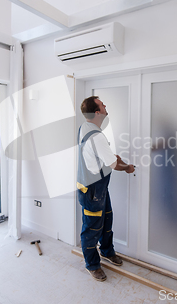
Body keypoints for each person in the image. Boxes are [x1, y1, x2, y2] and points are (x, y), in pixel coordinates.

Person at [77, 96, 135, 282]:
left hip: (98, 187)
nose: (105, 106)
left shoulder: (85, 127)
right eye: (102, 105)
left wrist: (108, 157)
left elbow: (96, 155)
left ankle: (107, 252)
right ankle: (92, 265)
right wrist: (127, 168)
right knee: (92, 229)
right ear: (97, 112)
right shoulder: (97, 136)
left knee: (107, 220)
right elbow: (114, 165)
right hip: (92, 190)